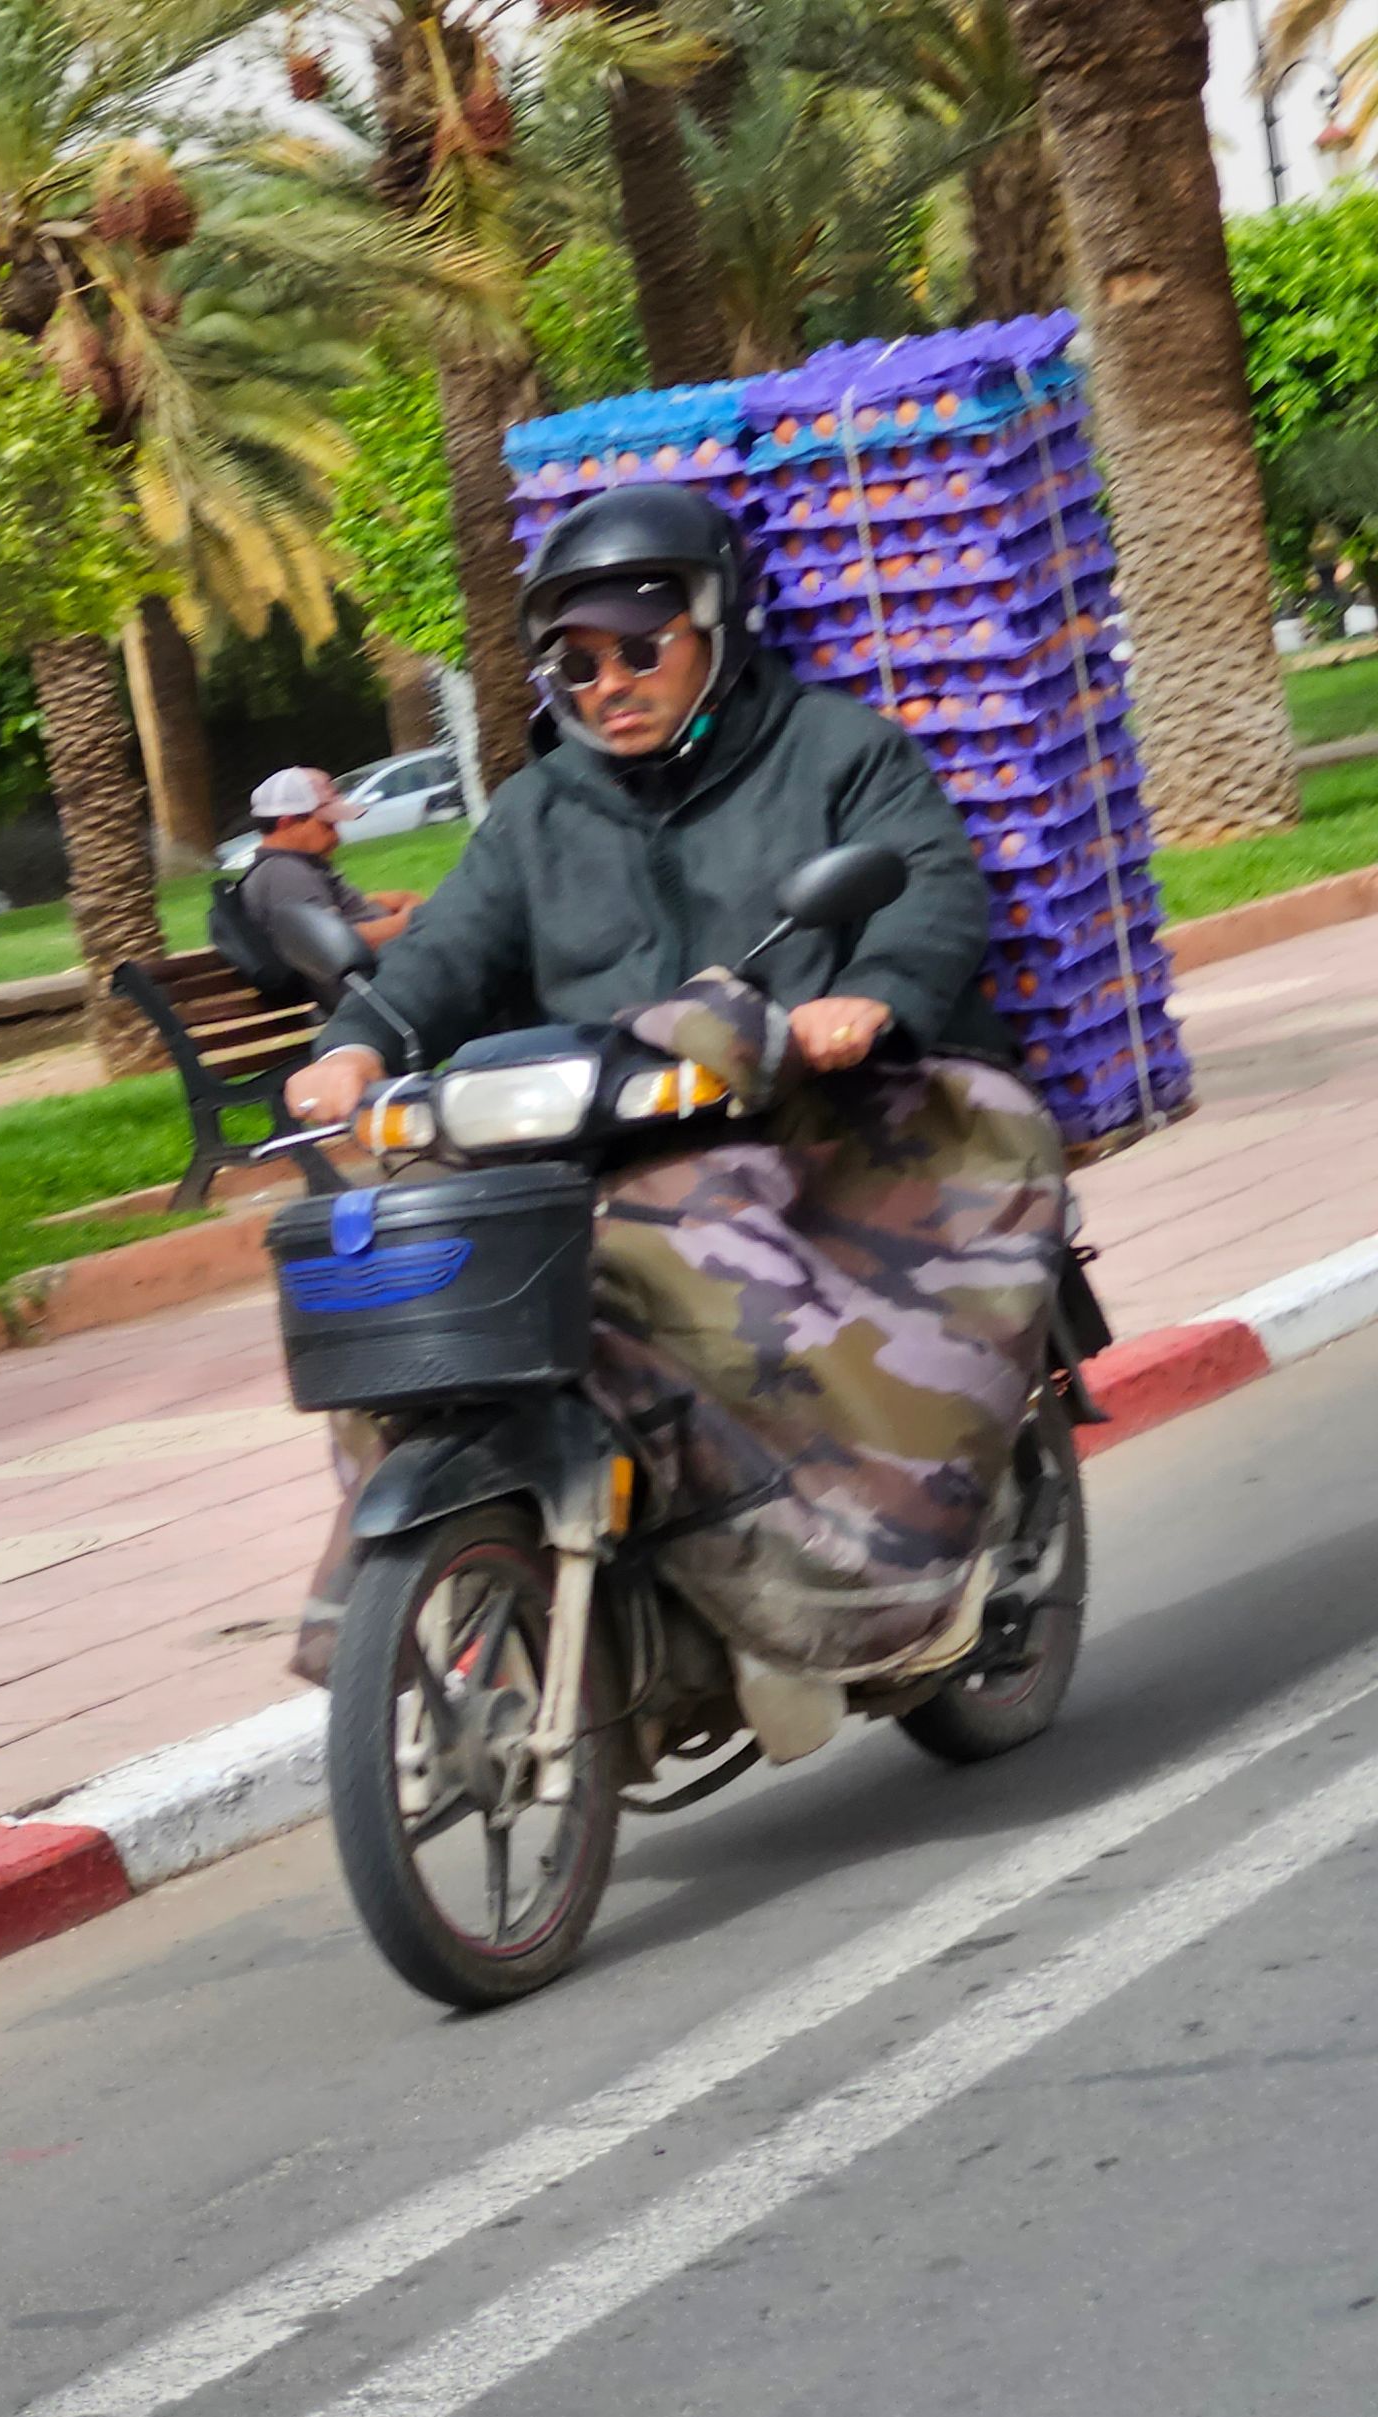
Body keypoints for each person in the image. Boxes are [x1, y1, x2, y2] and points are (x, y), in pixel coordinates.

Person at [284, 485, 1066, 1763]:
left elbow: (925, 880)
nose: (606, 685)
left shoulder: (832, 749)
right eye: (575, 662)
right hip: (612, 1132)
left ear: (715, 624)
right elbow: (449, 951)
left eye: (639, 649)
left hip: (835, 1117)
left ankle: (854, 1578)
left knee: (712, 1249)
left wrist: (867, 998)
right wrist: (356, 1043)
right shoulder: (542, 809)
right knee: (415, 1291)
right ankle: (507, 1581)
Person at [230, 768, 421, 1005]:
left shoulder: (295, 866)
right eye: (327, 824)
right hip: (375, 999)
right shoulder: (286, 874)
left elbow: (338, 915)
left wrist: (395, 902)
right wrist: (415, 919)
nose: (337, 833)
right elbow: (339, 945)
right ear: (286, 822)